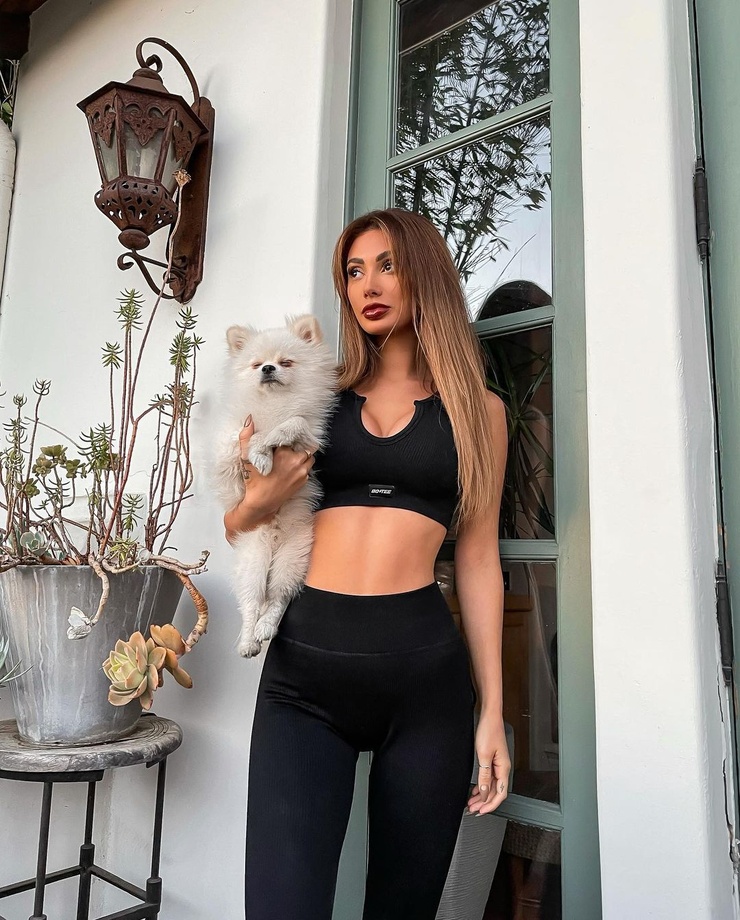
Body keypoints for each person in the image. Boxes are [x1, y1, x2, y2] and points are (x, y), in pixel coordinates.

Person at [224, 208, 510, 920]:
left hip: (425, 688)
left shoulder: (478, 412)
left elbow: (479, 560)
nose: (368, 286)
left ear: (424, 274)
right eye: (354, 272)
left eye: (386, 265)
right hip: (303, 680)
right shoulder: (316, 398)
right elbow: (239, 523)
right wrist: (259, 498)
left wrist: (493, 712)